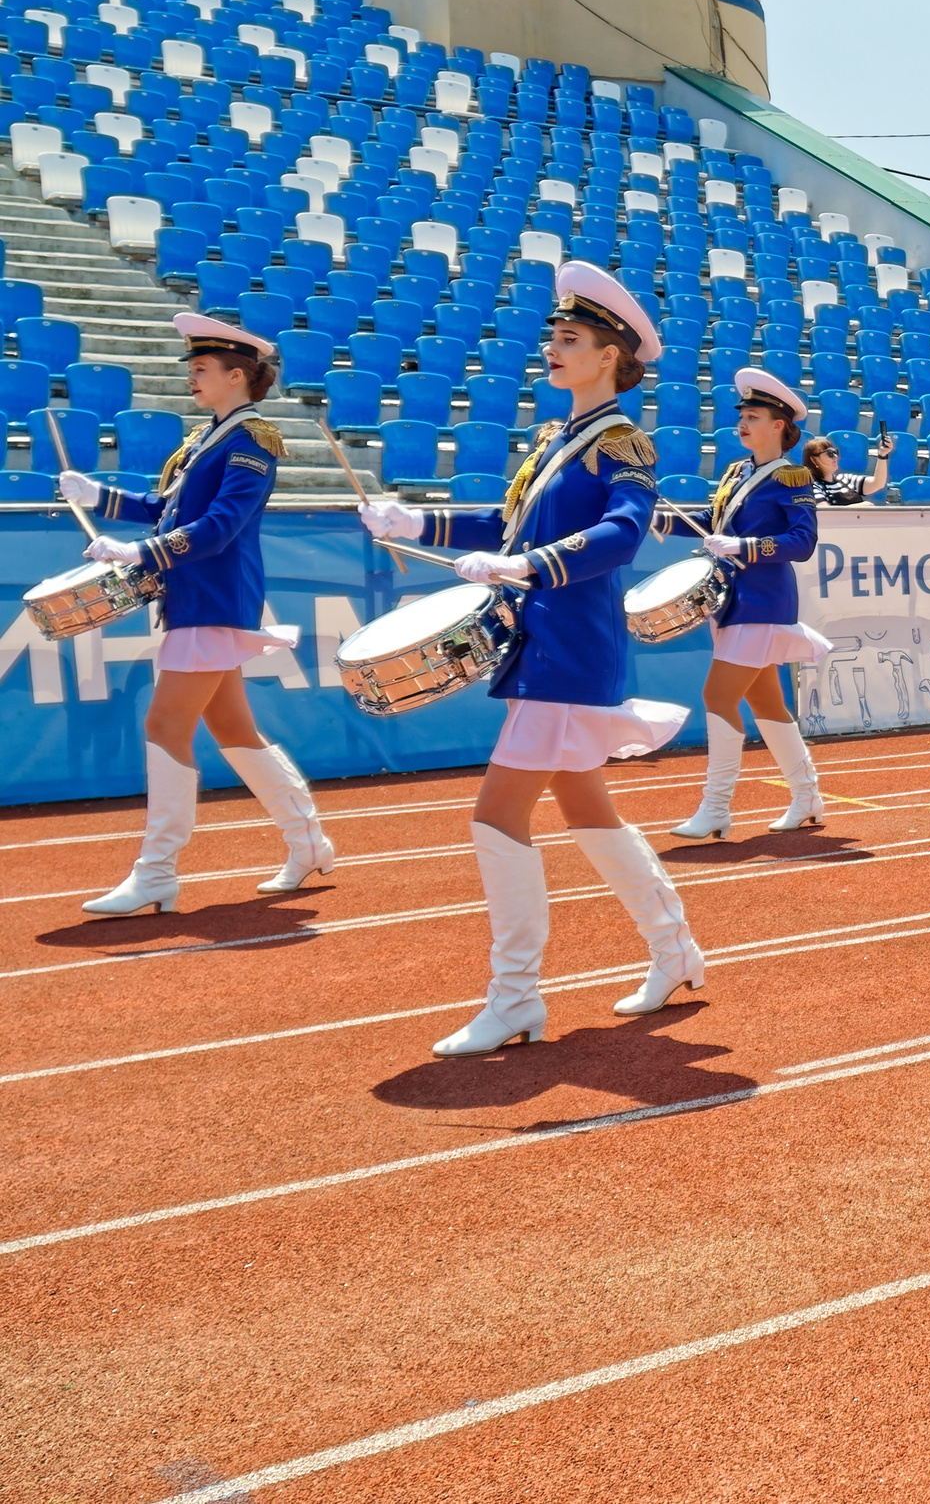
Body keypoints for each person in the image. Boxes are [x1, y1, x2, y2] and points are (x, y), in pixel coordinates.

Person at [358, 262, 699, 1053]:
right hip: (544, 643)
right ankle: (674, 948)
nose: (553, 346)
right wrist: (415, 523)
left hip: (569, 646)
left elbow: (623, 533)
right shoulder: (555, 438)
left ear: (609, 356)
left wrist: (529, 565)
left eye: (570, 338)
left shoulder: (622, 442)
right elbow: (502, 525)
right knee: (586, 808)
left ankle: (514, 997)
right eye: (555, 334)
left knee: (496, 815)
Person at [59, 314, 334, 914]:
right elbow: (166, 508)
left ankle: (157, 871)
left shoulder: (251, 440)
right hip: (196, 598)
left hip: (213, 599)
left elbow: (219, 527)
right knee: (233, 729)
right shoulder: (206, 437)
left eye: (202, 368)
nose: (192, 376)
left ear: (237, 375)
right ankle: (309, 841)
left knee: (164, 726)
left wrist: (140, 552)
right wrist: (98, 495)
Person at [665, 367, 834, 840]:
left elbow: (803, 542)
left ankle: (716, 808)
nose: (741, 423)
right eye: (741, 416)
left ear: (778, 425)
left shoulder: (792, 477)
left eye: (753, 417)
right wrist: (657, 521)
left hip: (763, 600)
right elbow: (711, 519)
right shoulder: (737, 472)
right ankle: (807, 796)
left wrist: (744, 546)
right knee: (766, 701)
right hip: (733, 601)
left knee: (718, 697)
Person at [801, 431, 892, 506]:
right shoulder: (812, 485)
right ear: (814, 460)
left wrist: (882, 455)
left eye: (835, 452)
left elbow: (878, 483)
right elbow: (825, 511)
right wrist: (863, 507)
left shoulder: (845, 479)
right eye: (829, 453)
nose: (835, 457)